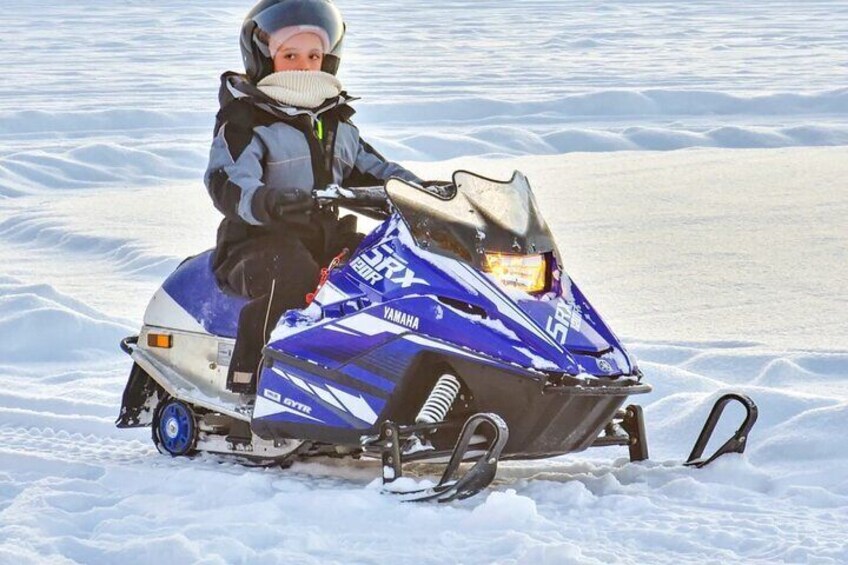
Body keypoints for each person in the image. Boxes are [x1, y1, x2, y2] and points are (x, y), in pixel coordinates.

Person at [204, 0, 424, 393]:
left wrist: (423, 194)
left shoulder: (336, 122)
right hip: (255, 244)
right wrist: (267, 202)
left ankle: (380, 380)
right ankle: (253, 382)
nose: (304, 66)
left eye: (313, 55)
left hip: (326, 239)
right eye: (290, 55)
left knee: (391, 273)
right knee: (291, 275)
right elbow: (227, 181)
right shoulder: (245, 119)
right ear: (265, 59)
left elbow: (380, 172)